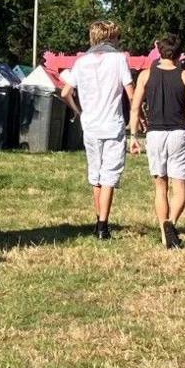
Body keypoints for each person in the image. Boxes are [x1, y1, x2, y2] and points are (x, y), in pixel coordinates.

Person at [61, 21, 136, 240]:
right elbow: (130, 93)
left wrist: (78, 111)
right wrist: (137, 119)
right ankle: (103, 224)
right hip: (112, 124)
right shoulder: (119, 59)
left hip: (90, 124)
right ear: (111, 38)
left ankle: (98, 220)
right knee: (109, 176)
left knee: (96, 174)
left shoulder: (81, 61)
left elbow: (66, 91)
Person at [130, 34, 185, 248]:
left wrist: (133, 135)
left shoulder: (145, 75)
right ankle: (172, 223)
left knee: (161, 186)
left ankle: (163, 231)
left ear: (159, 51)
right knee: (180, 188)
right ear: (179, 53)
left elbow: (135, 106)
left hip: (155, 133)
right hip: (178, 132)